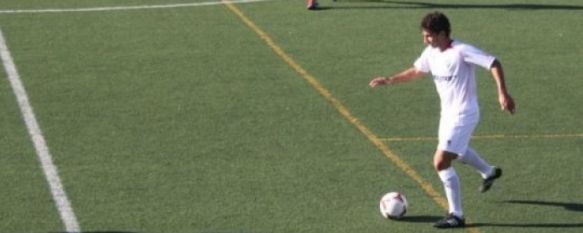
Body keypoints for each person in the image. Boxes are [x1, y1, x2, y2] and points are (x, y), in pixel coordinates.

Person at [369, 11, 515, 228]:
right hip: (447, 114)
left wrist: (502, 93)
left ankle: (456, 215)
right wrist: (390, 80)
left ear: (443, 34)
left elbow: (493, 63)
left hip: (465, 113)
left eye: (429, 35)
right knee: (460, 151)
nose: (425, 39)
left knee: (441, 161)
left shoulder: (461, 51)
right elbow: (418, 71)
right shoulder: (431, 52)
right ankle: (489, 171)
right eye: (424, 35)